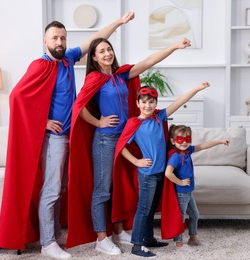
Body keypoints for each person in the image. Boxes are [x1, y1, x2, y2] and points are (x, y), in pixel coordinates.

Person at [0, 12, 135, 259]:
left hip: (71, 134)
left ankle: (56, 232)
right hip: (55, 137)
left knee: (61, 187)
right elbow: (17, 97)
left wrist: (119, 23)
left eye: (62, 38)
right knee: (51, 189)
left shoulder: (67, 59)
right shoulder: (40, 65)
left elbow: (93, 40)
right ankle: (47, 243)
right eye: (54, 38)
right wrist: (44, 122)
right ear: (45, 41)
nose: (59, 42)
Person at [67, 37, 192, 255]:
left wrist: (174, 46)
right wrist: (98, 122)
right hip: (106, 139)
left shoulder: (121, 74)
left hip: (127, 137)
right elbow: (78, 106)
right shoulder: (94, 78)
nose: (107, 54)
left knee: (120, 187)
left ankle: (117, 230)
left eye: (109, 49)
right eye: (102, 51)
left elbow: (148, 61)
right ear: (94, 58)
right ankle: (101, 238)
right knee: (102, 189)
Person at [114, 82, 210, 257]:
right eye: (143, 102)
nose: (147, 106)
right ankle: (137, 245)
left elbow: (179, 102)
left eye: (151, 102)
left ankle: (149, 239)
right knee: (143, 209)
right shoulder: (134, 123)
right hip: (148, 175)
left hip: (160, 174)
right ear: (137, 104)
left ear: (156, 103)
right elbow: (120, 146)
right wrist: (136, 161)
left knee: (151, 209)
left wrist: (196, 88)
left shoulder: (160, 117)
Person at [164, 124, 229, 250]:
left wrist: (220, 141)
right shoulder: (176, 156)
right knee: (181, 217)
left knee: (194, 215)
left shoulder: (187, 151)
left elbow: (203, 145)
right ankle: (178, 243)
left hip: (189, 192)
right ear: (173, 141)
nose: (184, 143)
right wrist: (180, 182)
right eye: (180, 140)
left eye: (187, 139)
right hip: (181, 193)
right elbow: (168, 173)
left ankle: (193, 238)